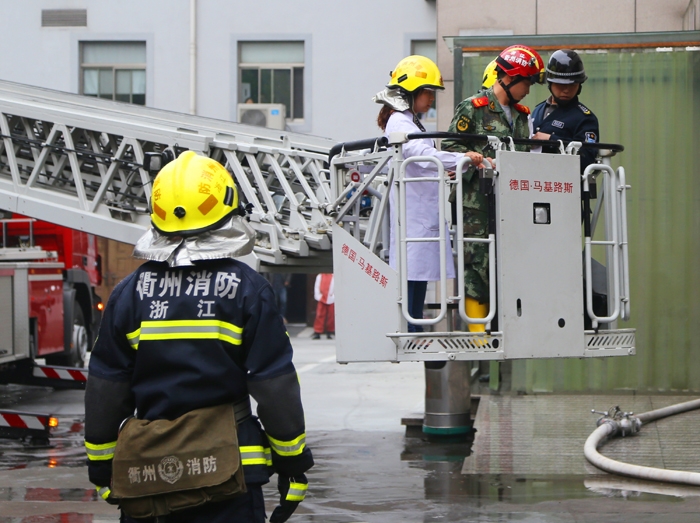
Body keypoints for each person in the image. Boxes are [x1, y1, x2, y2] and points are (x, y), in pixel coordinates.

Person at [84, 151, 313, 523]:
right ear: (226, 207)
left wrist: (101, 466)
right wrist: (293, 463)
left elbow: (106, 388)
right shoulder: (247, 290)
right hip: (230, 475)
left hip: (148, 476)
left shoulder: (129, 293)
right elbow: (275, 386)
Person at [373, 55, 484, 332]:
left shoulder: (408, 121)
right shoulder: (401, 123)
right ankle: (412, 330)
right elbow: (422, 155)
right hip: (413, 215)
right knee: (412, 276)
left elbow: (421, 162)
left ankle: (415, 328)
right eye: (427, 92)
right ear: (410, 92)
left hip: (418, 214)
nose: (431, 98)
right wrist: (462, 159)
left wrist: (446, 169)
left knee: (417, 274)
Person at [442, 45, 544, 328]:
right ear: (510, 78)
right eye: (527, 82)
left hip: (511, 204)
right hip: (476, 204)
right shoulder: (473, 108)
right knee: (477, 266)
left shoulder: (521, 115)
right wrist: (476, 159)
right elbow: (449, 148)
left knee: (512, 265)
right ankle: (478, 337)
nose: (528, 90)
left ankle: (508, 330)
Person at [530, 49, 600, 173]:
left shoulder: (585, 119)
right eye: (560, 85)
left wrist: (551, 140)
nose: (566, 90)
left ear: (579, 86)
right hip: (533, 178)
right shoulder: (538, 110)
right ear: (550, 83)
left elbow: (587, 158)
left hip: (563, 181)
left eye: (572, 85)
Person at [312, 273, 334, 339]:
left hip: (332, 299)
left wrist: (333, 297)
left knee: (331, 316)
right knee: (319, 315)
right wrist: (319, 296)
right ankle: (317, 332)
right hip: (322, 298)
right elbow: (317, 287)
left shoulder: (334, 276)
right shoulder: (320, 276)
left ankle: (330, 332)